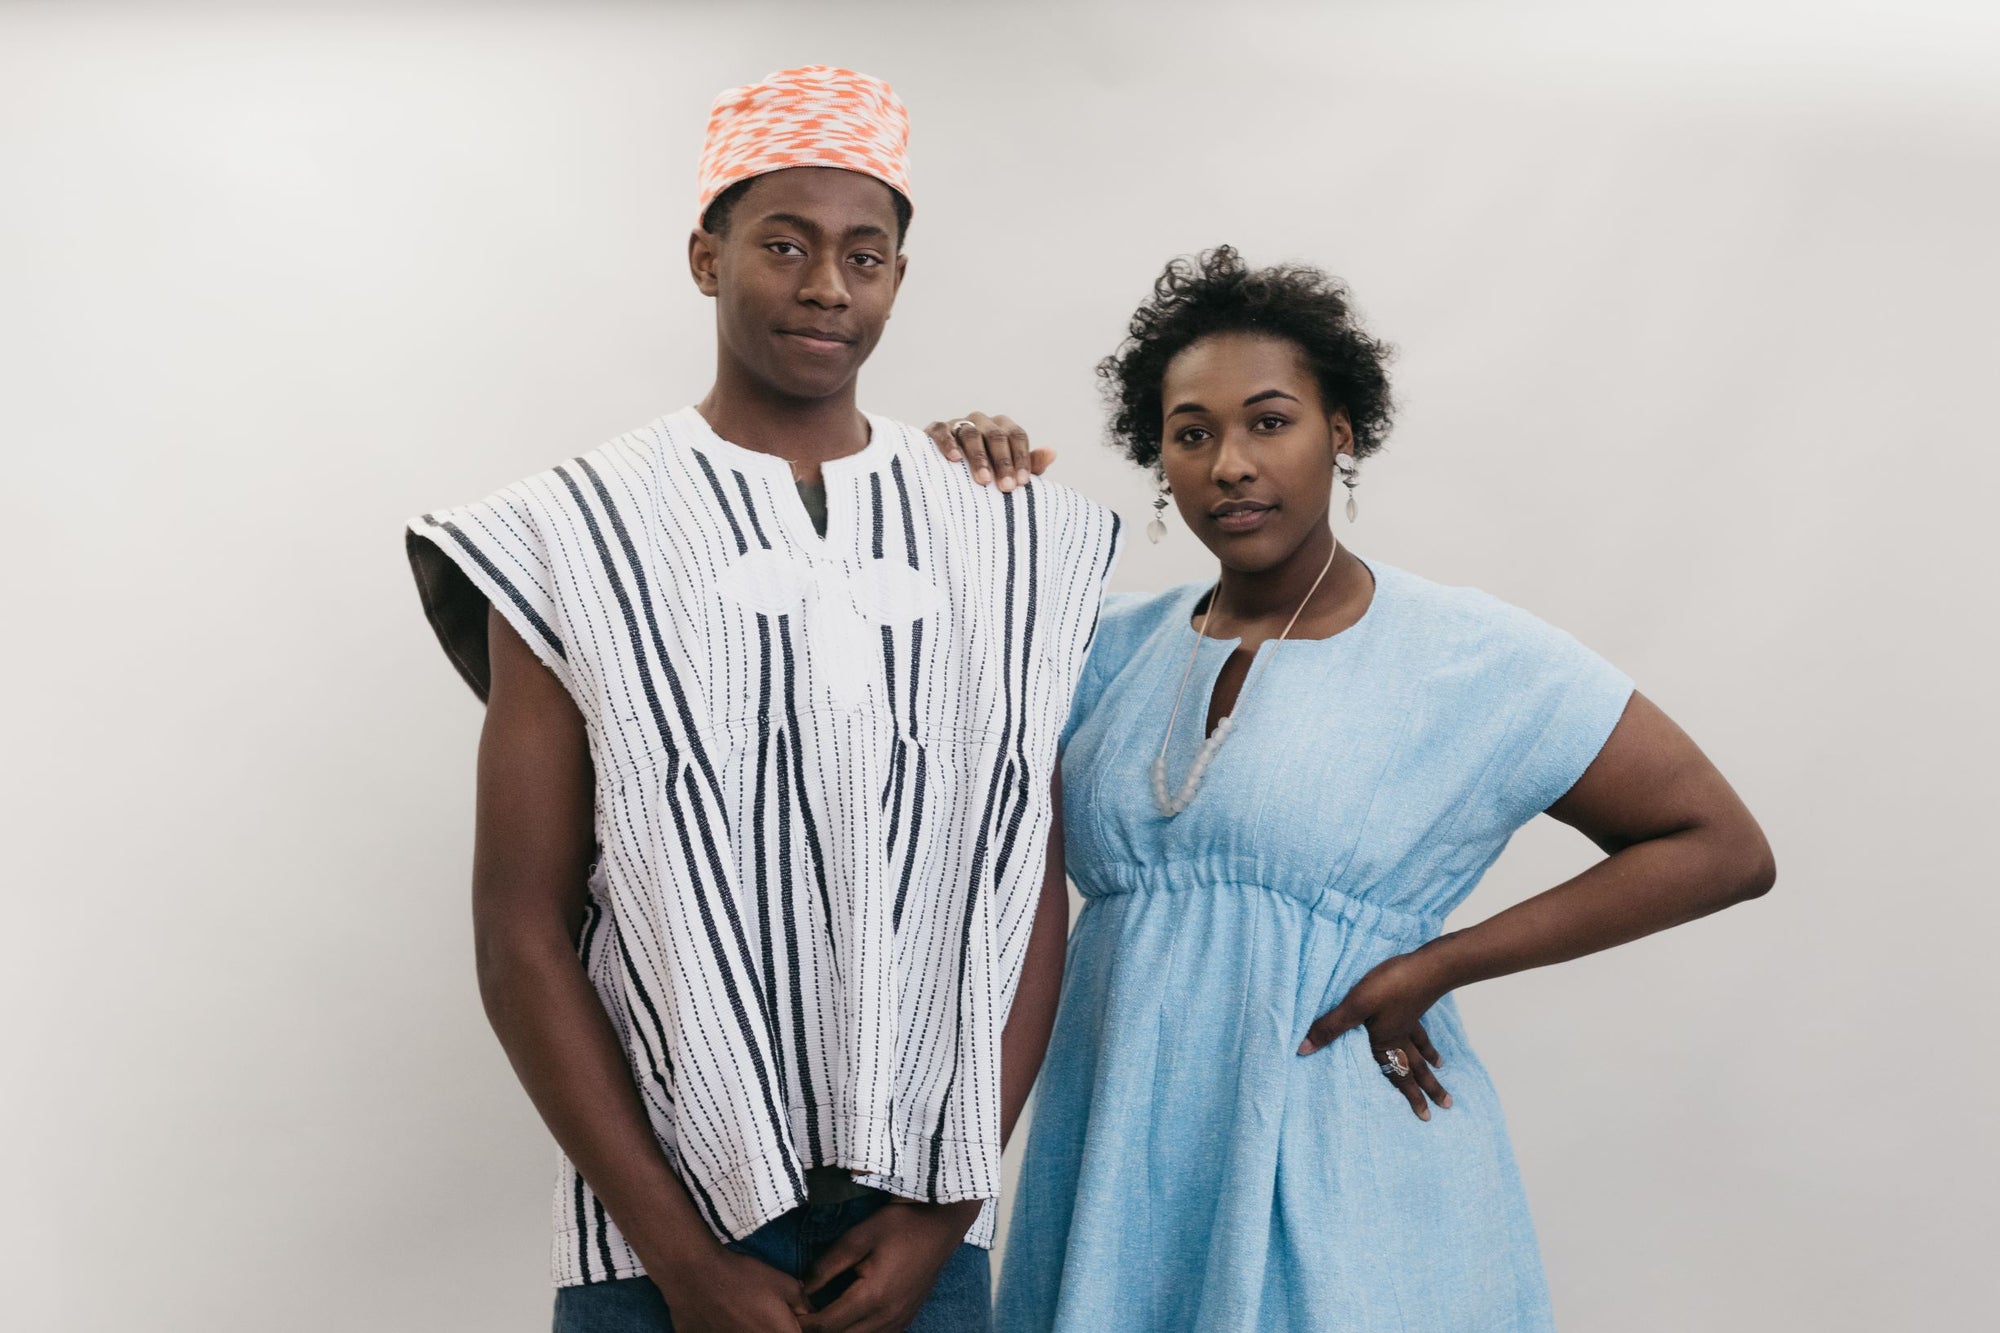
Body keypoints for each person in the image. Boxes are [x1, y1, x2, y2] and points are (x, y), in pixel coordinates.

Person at [934, 247, 1776, 1332]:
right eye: (1191, 434)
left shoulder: (1463, 653)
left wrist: (1437, 961)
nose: (1230, 462)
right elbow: (900, 700)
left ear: (1340, 430)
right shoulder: (1102, 646)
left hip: (1339, 1169)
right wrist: (936, 484)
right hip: (1120, 1170)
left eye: (1268, 421)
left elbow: (1717, 845)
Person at [404, 67, 1120, 1333]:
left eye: (866, 254)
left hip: (921, 1232)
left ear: (900, 276)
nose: (825, 287)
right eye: (783, 244)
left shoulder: (1001, 538)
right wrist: (682, 1259)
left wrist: (945, 1213)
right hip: (661, 1232)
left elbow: (1022, 894)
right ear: (705, 254)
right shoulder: (577, 533)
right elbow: (521, 929)